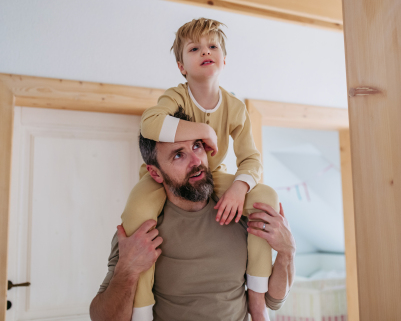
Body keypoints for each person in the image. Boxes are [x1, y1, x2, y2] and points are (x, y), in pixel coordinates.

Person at [121, 18, 279, 320]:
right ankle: (141, 312)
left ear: (224, 58)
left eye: (212, 46)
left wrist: (239, 187)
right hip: (162, 179)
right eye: (194, 48)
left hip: (212, 173)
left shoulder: (235, 107)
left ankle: (258, 304)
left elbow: (251, 159)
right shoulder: (176, 95)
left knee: (266, 197)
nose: (205, 51)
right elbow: (149, 123)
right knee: (137, 213)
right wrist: (202, 132)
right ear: (182, 66)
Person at [90, 109, 295, 321]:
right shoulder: (142, 230)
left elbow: (273, 300)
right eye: (178, 154)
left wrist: (287, 252)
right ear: (155, 173)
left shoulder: (241, 212)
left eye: (197, 146)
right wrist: (128, 269)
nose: (196, 160)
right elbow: (103, 318)